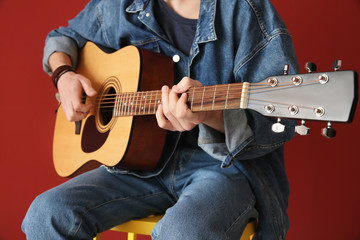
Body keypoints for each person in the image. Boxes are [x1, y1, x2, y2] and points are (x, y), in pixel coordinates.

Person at [22, 0, 299, 239]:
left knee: (183, 233)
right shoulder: (122, 5)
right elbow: (64, 37)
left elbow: (280, 116)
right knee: (45, 215)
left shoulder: (243, 9)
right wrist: (64, 75)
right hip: (136, 167)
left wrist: (208, 114)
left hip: (223, 167)